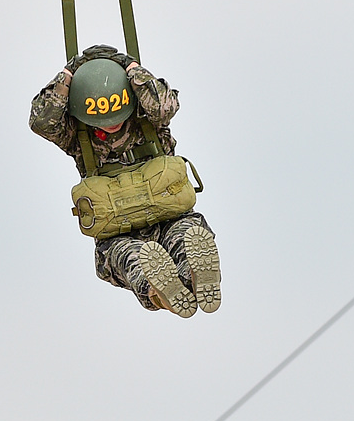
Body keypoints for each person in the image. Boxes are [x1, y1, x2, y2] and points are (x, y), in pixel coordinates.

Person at [29, 44, 221, 318]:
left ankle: (193, 271)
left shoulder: (147, 116)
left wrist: (131, 68)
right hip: (121, 235)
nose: (110, 124)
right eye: (101, 118)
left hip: (169, 219)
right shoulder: (77, 134)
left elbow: (167, 105)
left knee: (180, 238)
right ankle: (160, 289)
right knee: (132, 258)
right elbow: (41, 121)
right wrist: (68, 76)